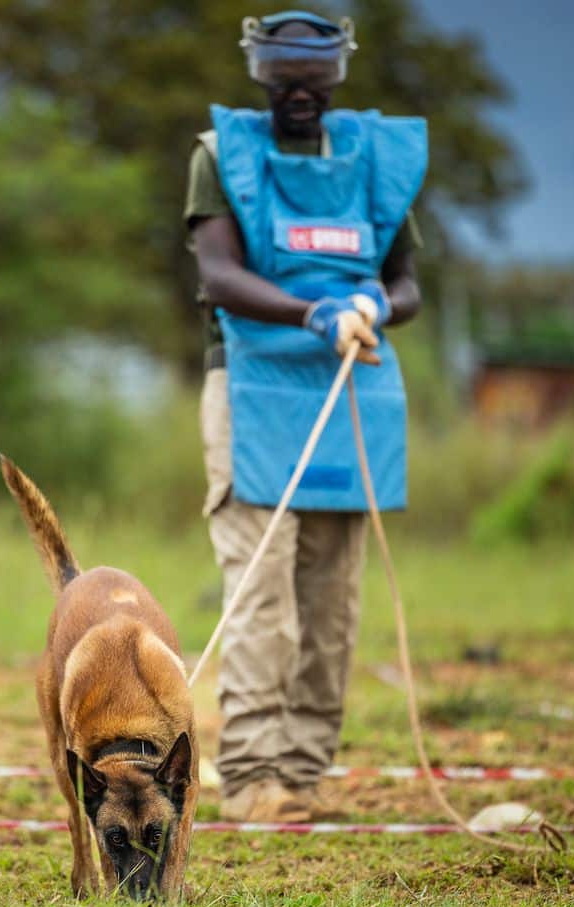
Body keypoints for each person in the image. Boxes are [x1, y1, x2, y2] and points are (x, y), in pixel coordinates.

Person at [185, 10, 426, 822]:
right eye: (283, 80)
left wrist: (369, 302)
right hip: (253, 391)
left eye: (312, 81)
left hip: (350, 392)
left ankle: (303, 773)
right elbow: (219, 274)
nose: (298, 95)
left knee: (332, 599)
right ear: (258, 72)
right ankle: (251, 779)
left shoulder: (371, 159)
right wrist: (309, 315)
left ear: (337, 76)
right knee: (262, 594)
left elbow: (407, 285)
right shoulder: (221, 155)